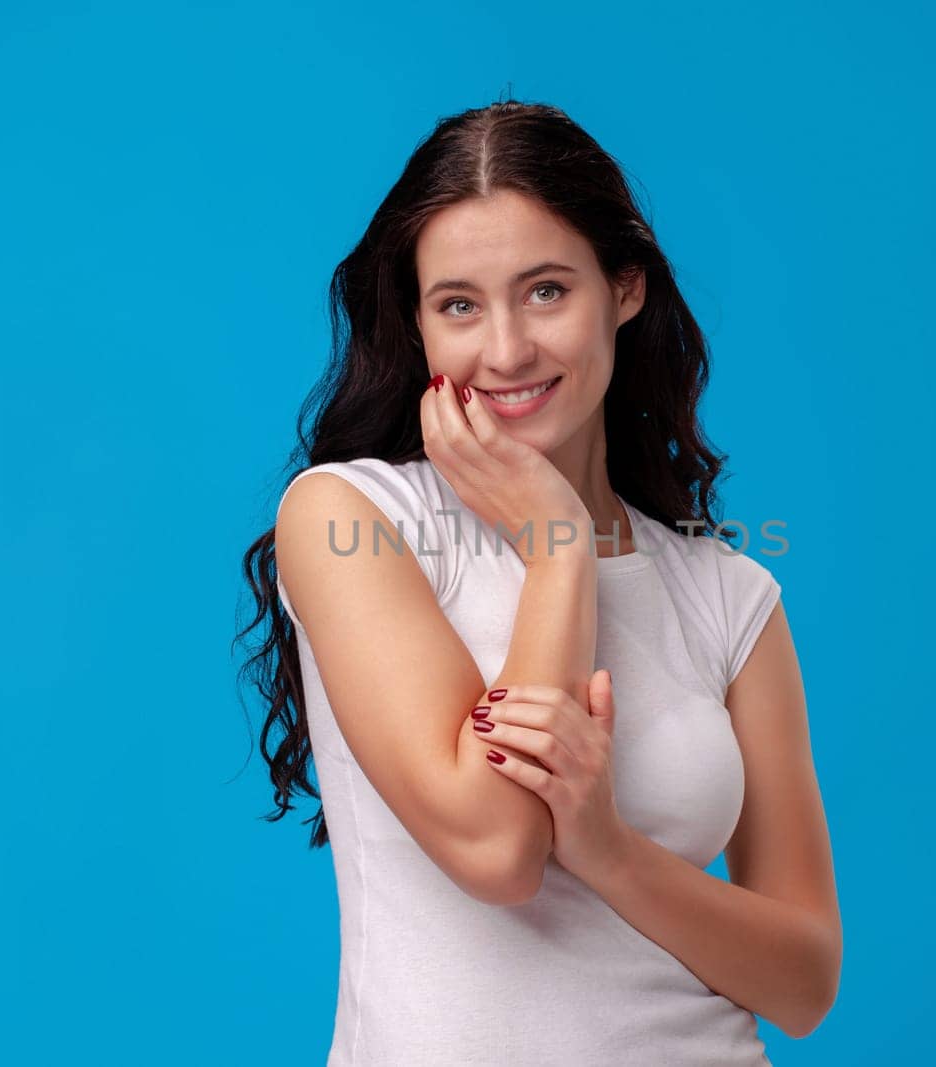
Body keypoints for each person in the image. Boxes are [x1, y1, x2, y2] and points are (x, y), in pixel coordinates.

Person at [237, 99, 841, 1066]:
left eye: (547, 290)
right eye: (460, 305)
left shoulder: (728, 595)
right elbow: (496, 849)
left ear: (626, 288)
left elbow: (805, 981)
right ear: (421, 327)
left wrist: (609, 851)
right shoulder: (354, 518)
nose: (507, 350)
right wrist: (559, 545)